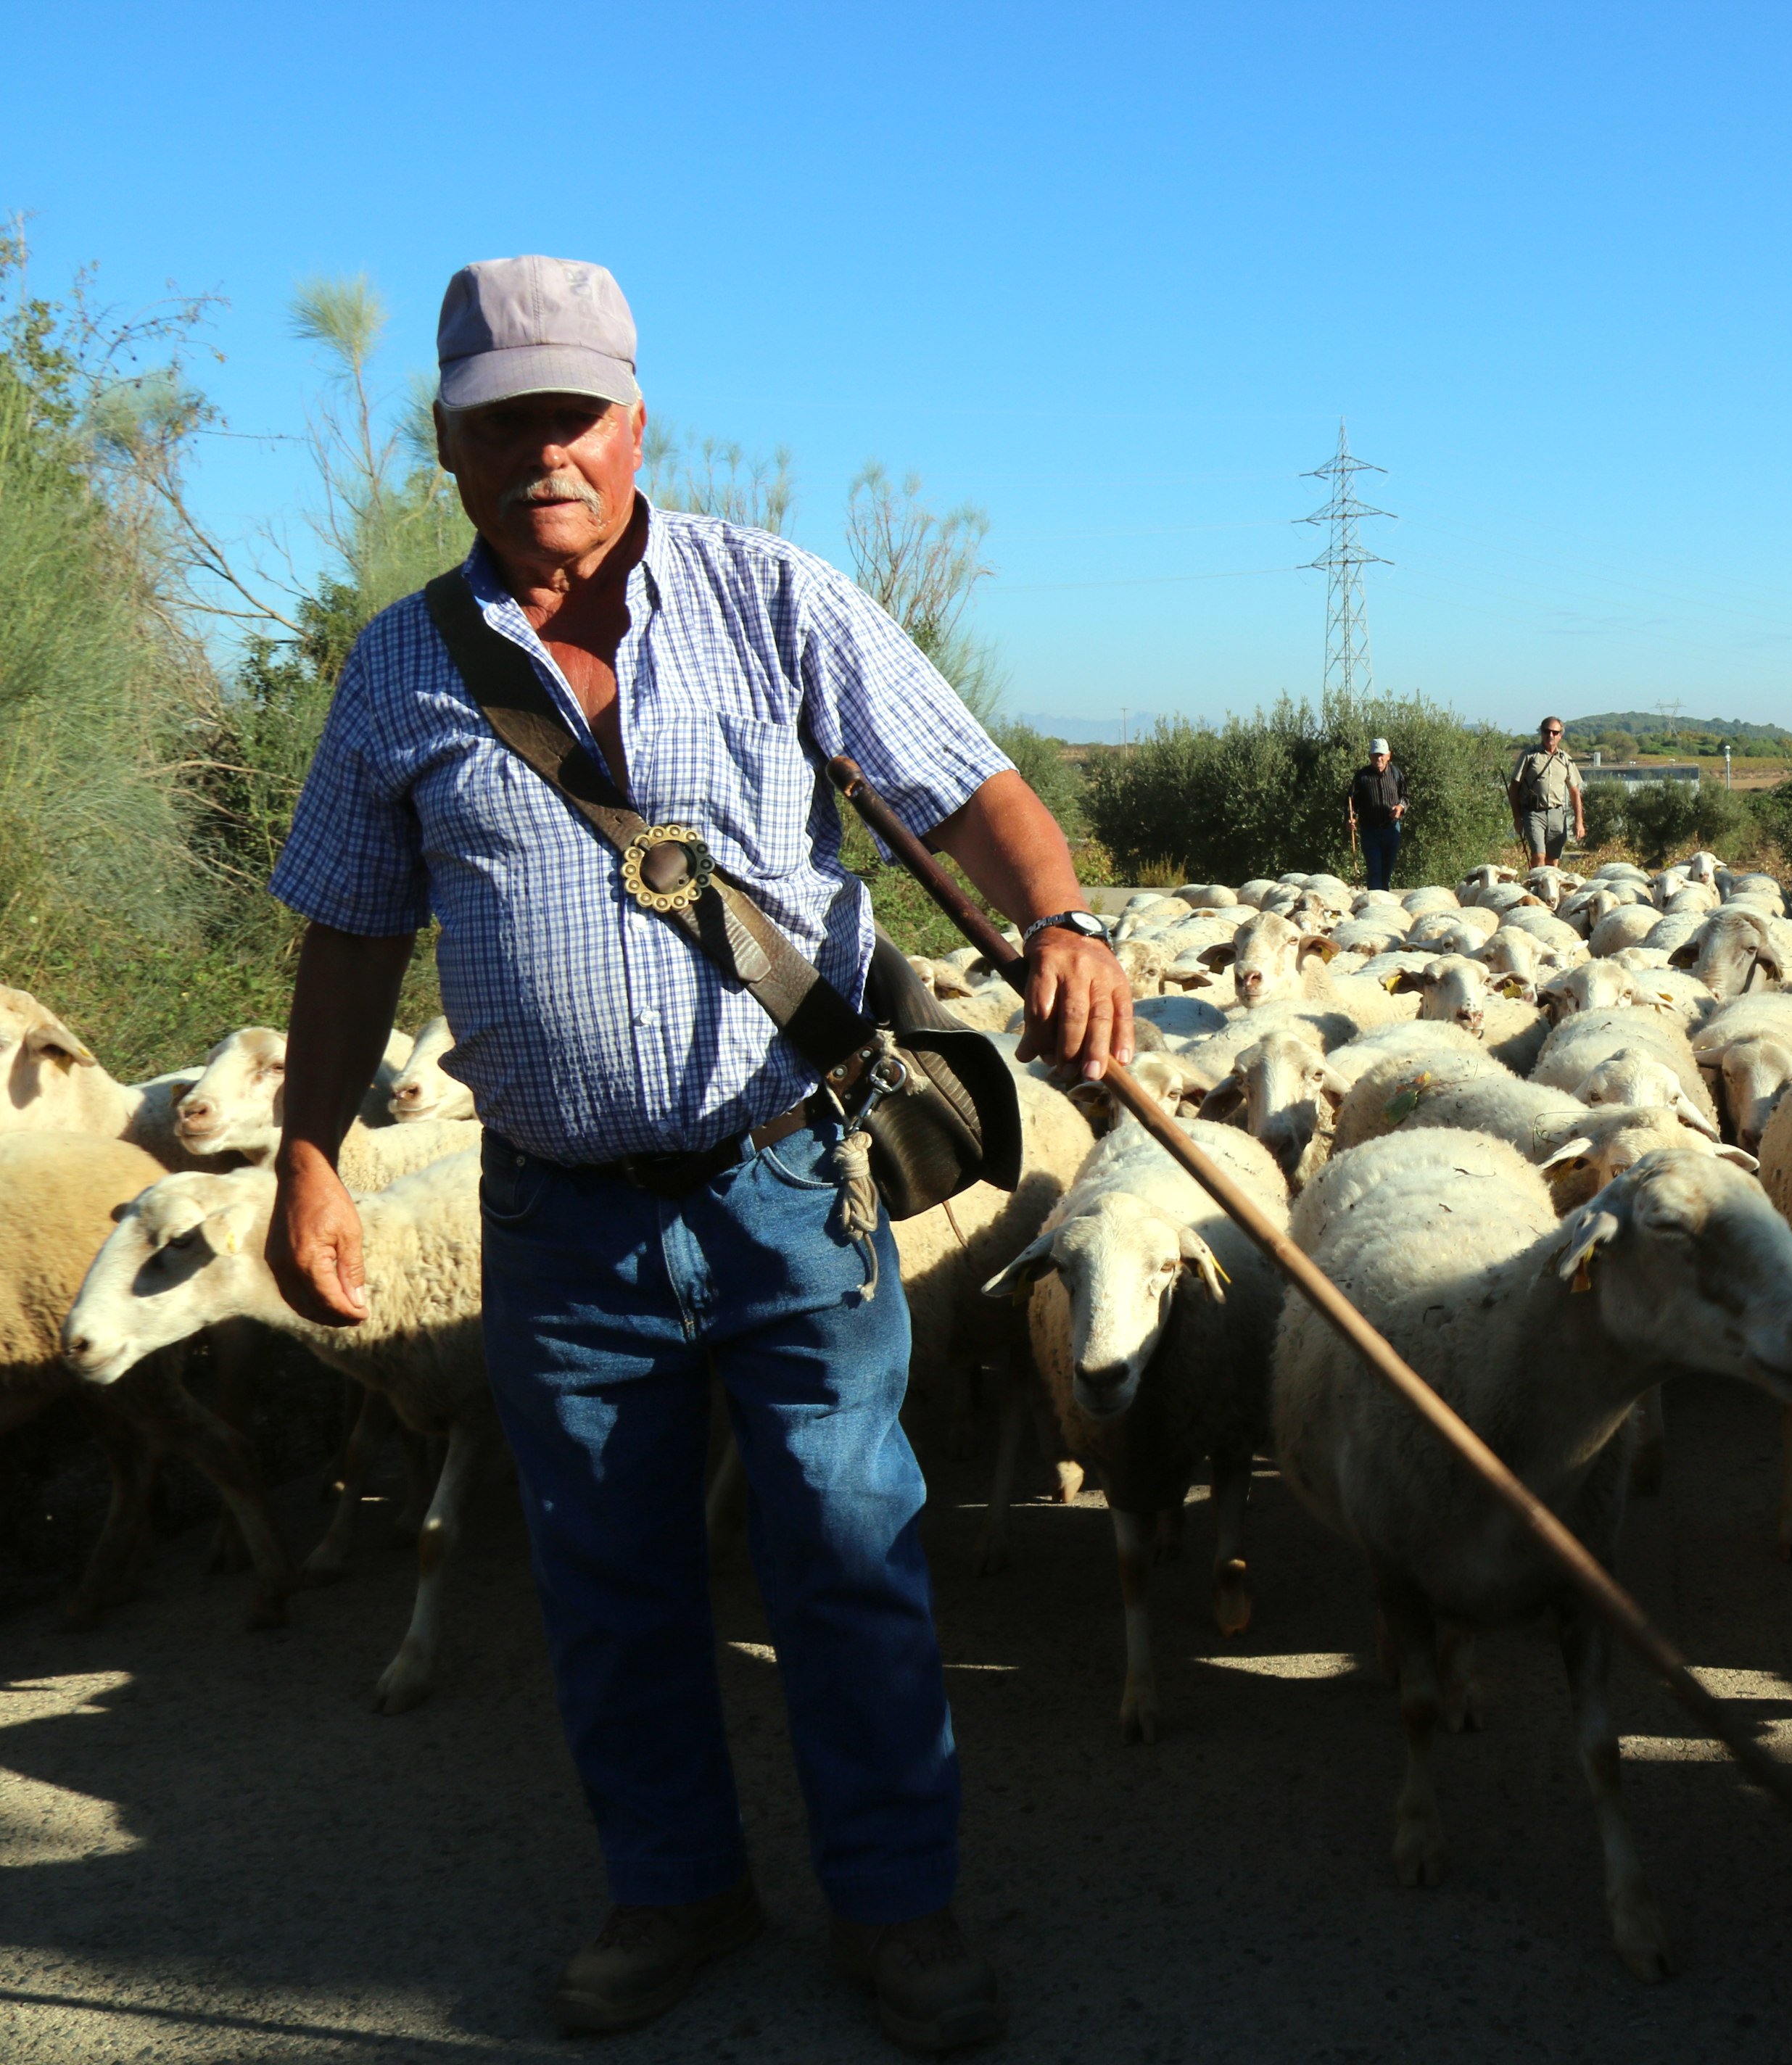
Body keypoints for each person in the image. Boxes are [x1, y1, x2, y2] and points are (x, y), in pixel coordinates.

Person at [263, 257, 1131, 2056]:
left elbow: (967, 782)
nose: (543, 451)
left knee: (852, 1541)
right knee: (607, 1574)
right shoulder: (399, 671)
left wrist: (1064, 918)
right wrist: (308, 1150)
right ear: (448, 445)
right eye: (502, 421)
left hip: (788, 1184)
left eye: (572, 414)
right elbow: (348, 934)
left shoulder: (777, 595)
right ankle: (674, 1884)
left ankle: (896, 1903)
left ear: (636, 419)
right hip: (560, 1218)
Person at [1508, 716, 1585, 864]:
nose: (1551, 735)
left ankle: (1549, 887)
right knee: (1538, 856)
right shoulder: (1529, 756)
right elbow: (1514, 788)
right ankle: (1536, 886)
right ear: (1541, 732)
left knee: (1553, 860)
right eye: (1547, 731)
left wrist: (1579, 822)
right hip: (1533, 813)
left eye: (1555, 732)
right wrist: (1517, 817)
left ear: (1560, 736)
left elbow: (1575, 792)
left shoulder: (1566, 760)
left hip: (1557, 814)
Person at [1347, 736, 1408, 889]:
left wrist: (1400, 808)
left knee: (1386, 871)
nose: (1378, 758)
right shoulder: (1362, 776)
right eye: (1375, 755)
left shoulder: (1396, 774)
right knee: (1374, 870)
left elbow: (1405, 797)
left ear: (1389, 755)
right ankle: (1374, 904)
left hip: (1392, 830)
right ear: (1370, 756)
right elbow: (1351, 802)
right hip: (1370, 831)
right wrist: (1351, 819)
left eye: (1381, 755)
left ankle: (1384, 903)